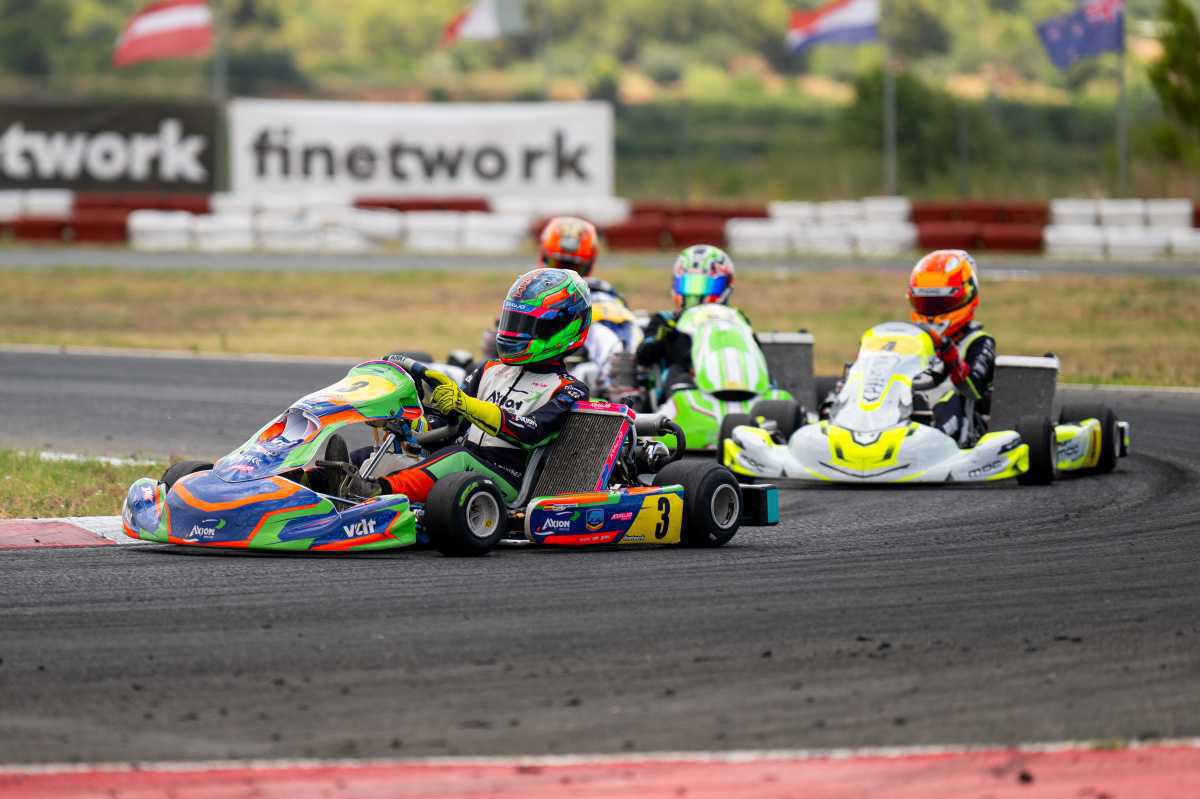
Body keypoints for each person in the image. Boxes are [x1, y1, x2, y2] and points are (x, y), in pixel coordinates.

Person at [349, 268, 591, 502]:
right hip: (461, 462)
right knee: (380, 451)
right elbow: (450, 424)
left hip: (509, 478)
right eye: (513, 322)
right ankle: (321, 480)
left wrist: (466, 404)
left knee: (456, 457)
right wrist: (407, 424)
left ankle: (378, 492)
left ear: (562, 329)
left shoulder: (568, 389)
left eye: (526, 325)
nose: (515, 333)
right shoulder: (490, 370)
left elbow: (531, 431)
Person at [907, 249, 995, 448]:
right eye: (926, 304)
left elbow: (973, 389)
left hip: (965, 418)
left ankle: (931, 445)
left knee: (950, 398)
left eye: (941, 303)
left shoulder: (979, 342)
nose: (933, 313)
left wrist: (949, 354)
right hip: (912, 409)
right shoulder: (910, 339)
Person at [636, 244, 741, 391]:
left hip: (729, 379)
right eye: (690, 285)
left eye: (705, 285)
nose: (695, 295)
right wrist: (665, 335)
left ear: (726, 286)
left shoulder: (735, 321)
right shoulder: (666, 320)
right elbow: (642, 356)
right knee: (677, 374)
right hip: (681, 386)